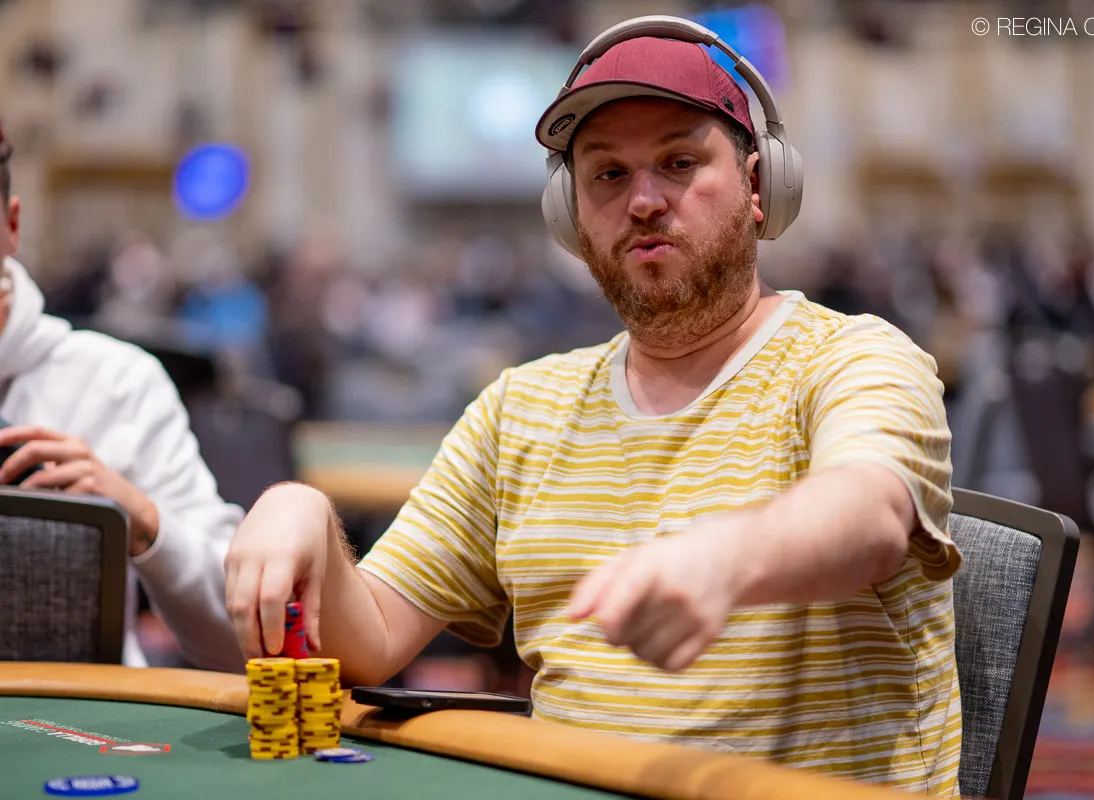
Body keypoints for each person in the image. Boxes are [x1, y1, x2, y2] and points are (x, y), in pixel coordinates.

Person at [225, 24, 962, 796]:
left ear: (758, 188)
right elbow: (372, 639)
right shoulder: (520, 409)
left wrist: (727, 557)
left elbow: (870, 516)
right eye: (608, 174)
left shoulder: (855, 358)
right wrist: (302, 513)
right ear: (570, 216)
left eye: (680, 163)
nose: (642, 201)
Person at [0, 119, 245, 673]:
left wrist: (141, 520)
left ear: (12, 226)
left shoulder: (117, 383)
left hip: (92, 710)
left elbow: (241, 643)